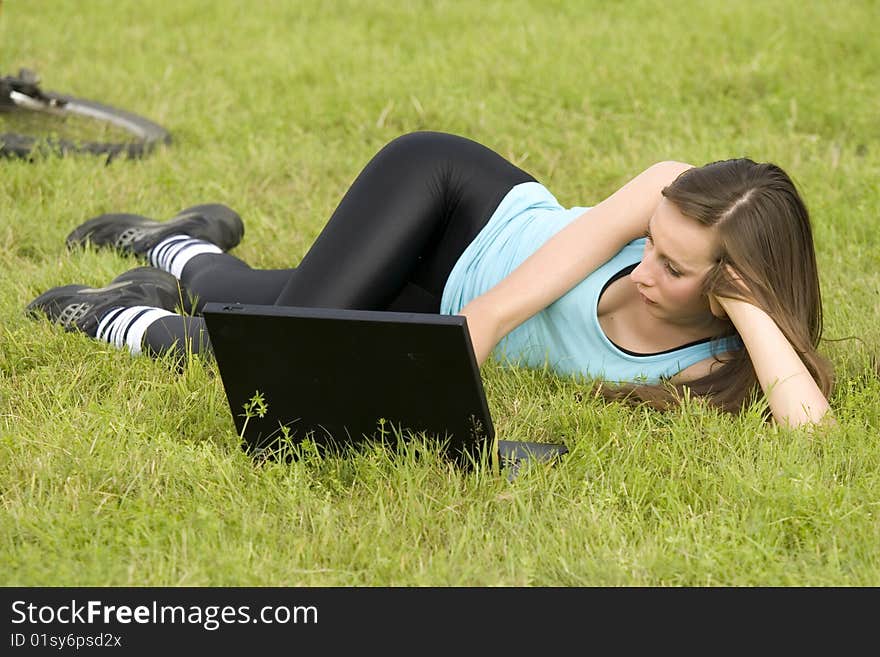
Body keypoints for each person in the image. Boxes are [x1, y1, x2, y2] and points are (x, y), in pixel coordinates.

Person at [27, 131, 834, 429]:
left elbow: (810, 436)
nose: (647, 268)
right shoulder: (670, 185)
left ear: (733, 286)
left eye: (675, 268)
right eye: (650, 245)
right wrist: (463, 342)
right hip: (450, 204)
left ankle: (178, 250)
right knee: (277, 348)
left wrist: (753, 312)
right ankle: (133, 304)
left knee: (262, 308)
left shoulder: (707, 365)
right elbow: (526, 286)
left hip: (438, 303)